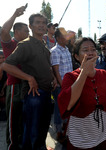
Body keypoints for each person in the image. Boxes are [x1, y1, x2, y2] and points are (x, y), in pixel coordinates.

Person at [57, 37, 106, 150]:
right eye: (85, 50)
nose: (90, 53)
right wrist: (84, 73)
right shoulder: (70, 77)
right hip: (80, 136)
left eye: (93, 49)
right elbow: (68, 104)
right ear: (77, 56)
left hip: (103, 133)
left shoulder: (102, 74)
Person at [2, 13, 57, 150]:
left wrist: (53, 77)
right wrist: (29, 78)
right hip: (34, 95)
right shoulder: (25, 44)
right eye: (37, 22)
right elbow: (6, 65)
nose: (41, 25)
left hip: (46, 93)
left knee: (42, 131)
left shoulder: (44, 45)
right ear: (31, 26)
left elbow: (46, 65)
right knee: (32, 133)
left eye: (44, 23)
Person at [0, 6, 29, 150]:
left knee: (24, 120)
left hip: (28, 86)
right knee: (14, 121)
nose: (28, 32)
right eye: (26, 30)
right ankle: (12, 146)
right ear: (16, 32)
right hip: (15, 87)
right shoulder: (10, 43)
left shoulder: (28, 45)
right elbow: (4, 31)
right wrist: (15, 14)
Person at [50, 27, 73, 143]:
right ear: (58, 38)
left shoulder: (66, 49)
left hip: (68, 85)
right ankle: (59, 133)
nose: (67, 38)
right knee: (59, 109)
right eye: (64, 36)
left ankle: (65, 129)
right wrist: (62, 85)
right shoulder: (55, 51)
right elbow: (56, 70)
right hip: (60, 86)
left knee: (67, 108)